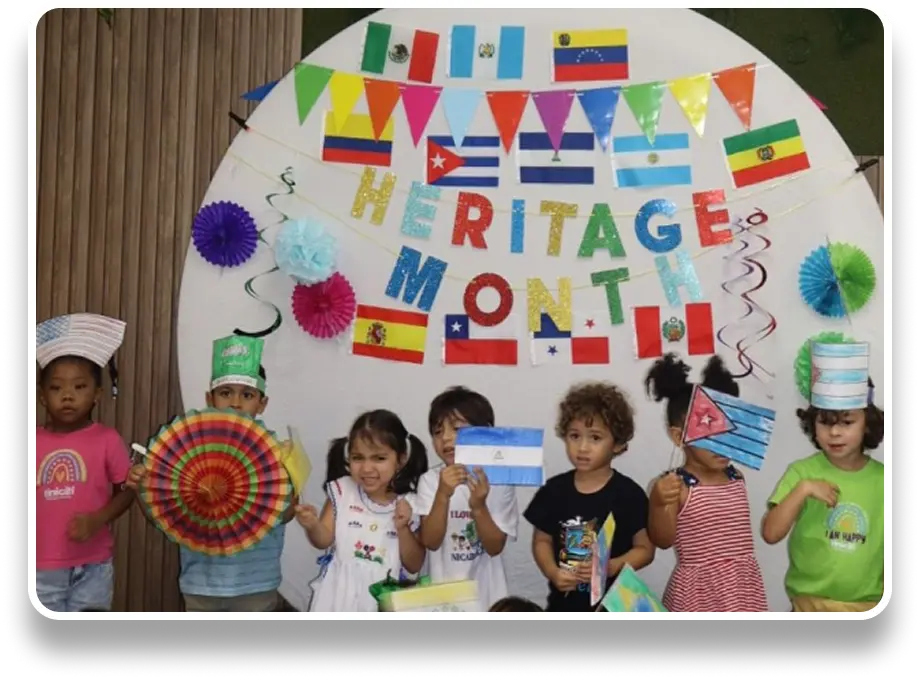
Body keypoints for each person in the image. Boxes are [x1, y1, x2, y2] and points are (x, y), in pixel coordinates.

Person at [125, 334, 296, 612]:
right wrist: (142, 489)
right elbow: (163, 518)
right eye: (226, 392)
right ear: (210, 398)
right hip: (200, 586)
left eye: (248, 395)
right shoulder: (186, 453)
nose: (236, 403)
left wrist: (291, 492)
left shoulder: (278, 453)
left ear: (262, 403)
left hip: (256, 585)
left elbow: (286, 515)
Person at [761, 342, 884, 612]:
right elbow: (770, 533)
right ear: (812, 423)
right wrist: (802, 490)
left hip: (869, 607)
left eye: (847, 422)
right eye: (825, 422)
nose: (835, 432)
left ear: (867, 424)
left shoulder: (884, 481)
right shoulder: (802, 473)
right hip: (809, 606)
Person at [645, 353, 767, 612]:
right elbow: (663, 540)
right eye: (709, 434)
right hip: (698, 596)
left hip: (742, 591)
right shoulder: (678, 486)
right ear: (679, 437)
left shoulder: (736, 477)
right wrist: (657, 503)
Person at [523, 382, 654, 612]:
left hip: (615, 608)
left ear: (618, 444)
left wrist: (612, 566)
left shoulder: (629, 494)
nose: (582, 447)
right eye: (575, 436)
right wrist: (553, 572)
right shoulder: (554, 491)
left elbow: (645, 550)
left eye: (595, 438)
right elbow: (541, 541)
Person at [35, 313, 135, 612]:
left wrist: (98, 518)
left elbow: (128, 490)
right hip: (38, 568)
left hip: (93, 566)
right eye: (56, 388)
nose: (67, 395)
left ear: (97, 395)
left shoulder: (107, 439)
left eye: (79, 387)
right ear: (42, 396)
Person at [298, 409, 428, 612]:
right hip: (337, 597)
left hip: (384, 600)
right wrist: (312, 524)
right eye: (358, 458)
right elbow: (323, 540)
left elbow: (414, 565)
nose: (367, 468)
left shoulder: (411, 503)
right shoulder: (342, 491)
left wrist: (403, 528)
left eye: (379, 458)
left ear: (401, 459)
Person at [411, 386, 518, 611]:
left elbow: (494, 546)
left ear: (486, 433)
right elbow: (430, 541)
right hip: (439, 599)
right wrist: (443, 493)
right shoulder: (430, 480)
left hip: (486, 598)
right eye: (437, 432)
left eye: (457, 429)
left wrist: (478, 506)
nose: (446, 438)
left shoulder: (500, 481)